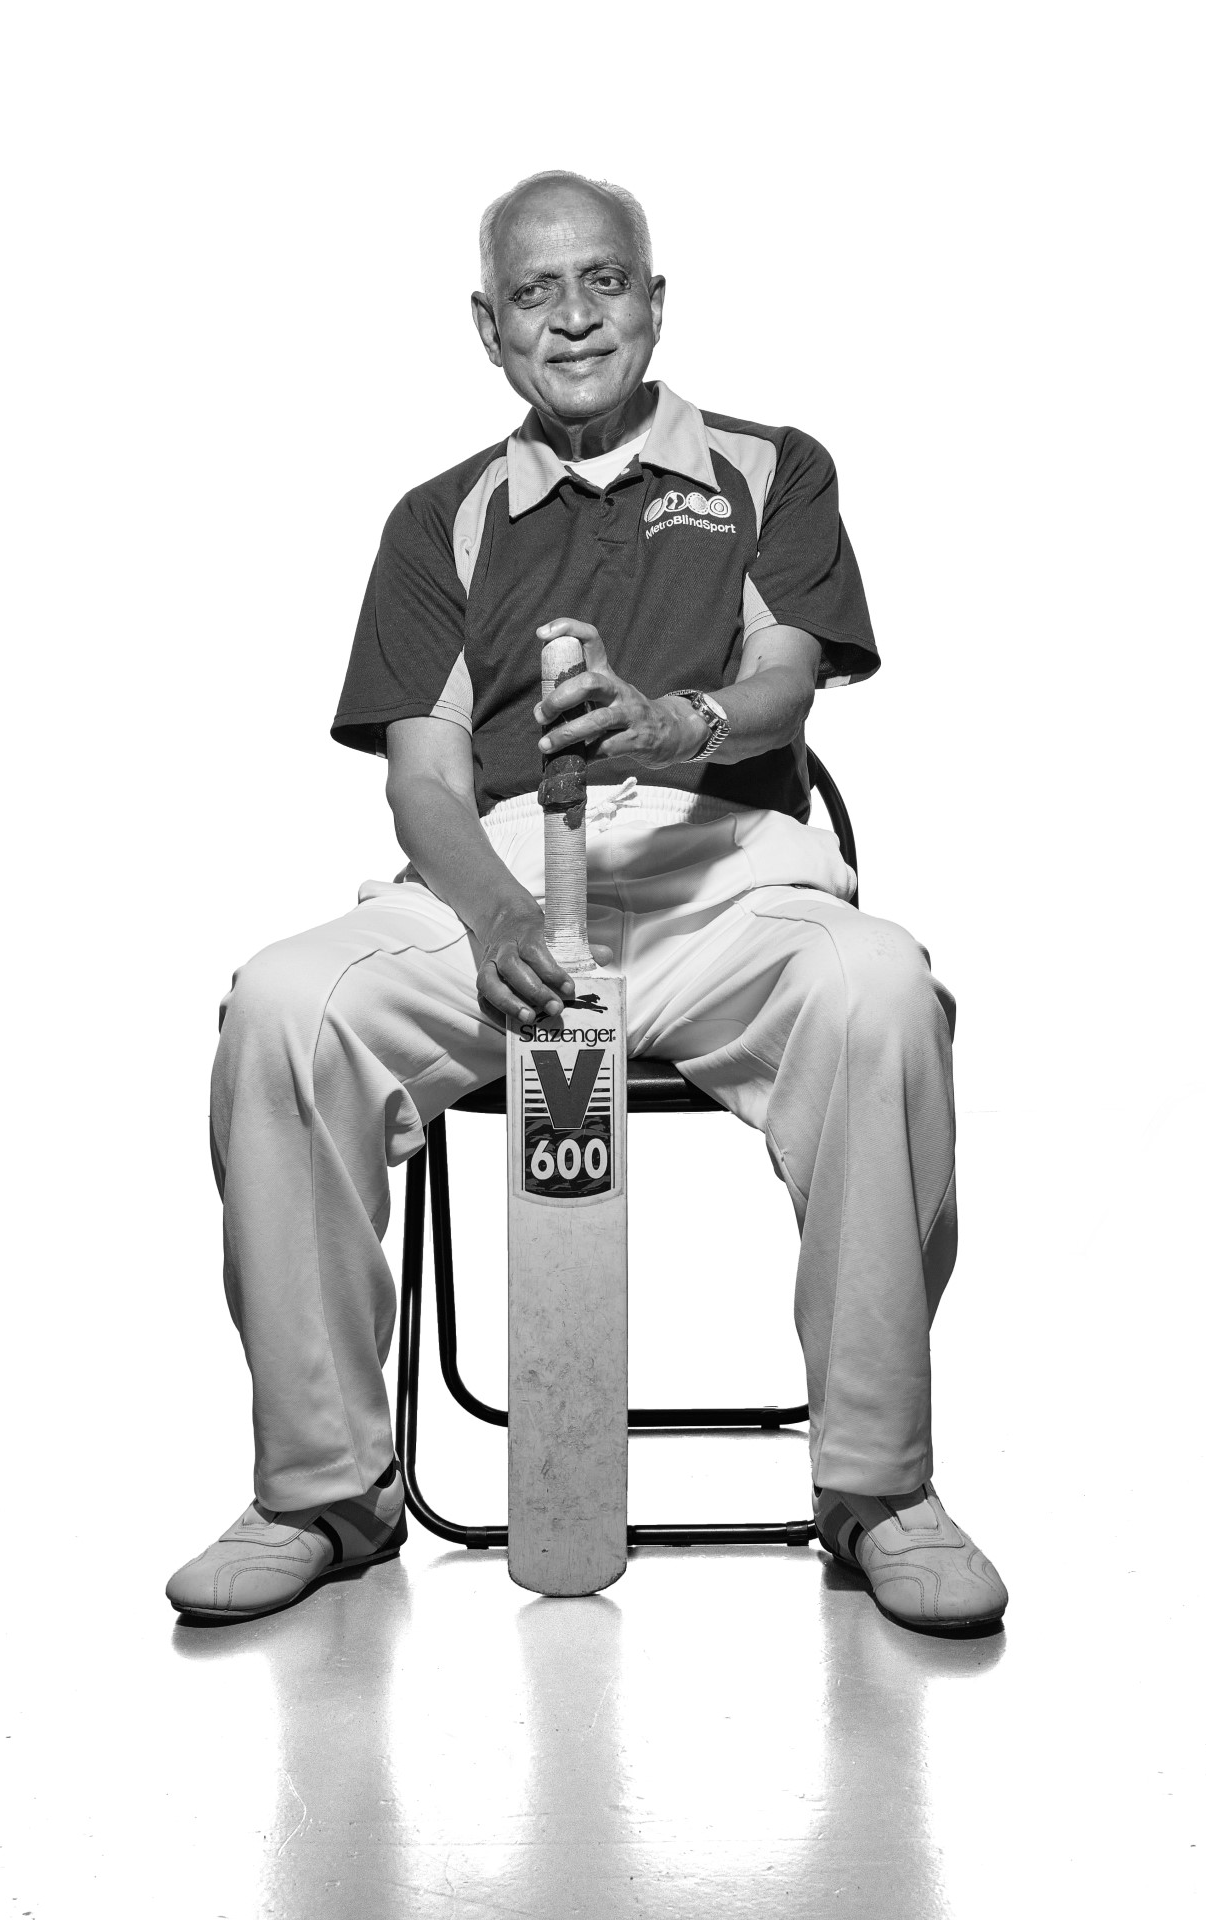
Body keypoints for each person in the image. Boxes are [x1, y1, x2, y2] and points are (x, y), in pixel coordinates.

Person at [167, 170, 1007, 1634]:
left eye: (604, 281)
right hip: (498, 881)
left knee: (879, 993)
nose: (574, 316)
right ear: (489, 328)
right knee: (287, 1005)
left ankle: (880, 1487)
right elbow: (422, 778)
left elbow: (781, 687)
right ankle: (324, 1491)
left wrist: (663, 722)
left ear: (656, 302)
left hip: (721, 874)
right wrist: (495, 919)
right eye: (538, 293)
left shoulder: (769, 465)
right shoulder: (442, 519)